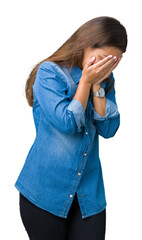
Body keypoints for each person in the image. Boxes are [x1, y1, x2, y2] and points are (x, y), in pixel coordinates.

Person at [14, 16, 127, 240]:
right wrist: (85, 81)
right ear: (86, 44)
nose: (107, 67)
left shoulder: (105, 80)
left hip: (88, 197)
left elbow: (109, 129)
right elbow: (67, 124)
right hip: (44, 194)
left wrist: (97, 86)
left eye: (114, 62)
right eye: (104, 58)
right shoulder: (50, 73)